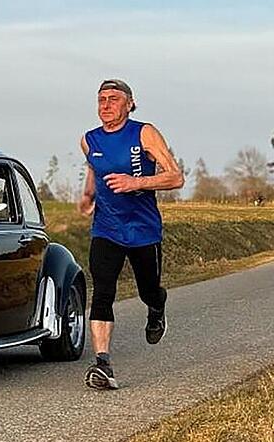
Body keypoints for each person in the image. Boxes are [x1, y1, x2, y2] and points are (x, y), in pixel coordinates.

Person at [79, 79, 185, 390]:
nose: (106, 105)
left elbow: (176, 178)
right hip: (106, 228)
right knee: (102, 291)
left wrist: (134, 182)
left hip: (143, 229)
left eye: (113, 99)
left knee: (147, 290)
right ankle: (103, 364)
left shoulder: (144, 133)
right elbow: (94, 169)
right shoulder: (89, 140)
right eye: (101, 99)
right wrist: (88, 195)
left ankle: (157, 306)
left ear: (130, 103)